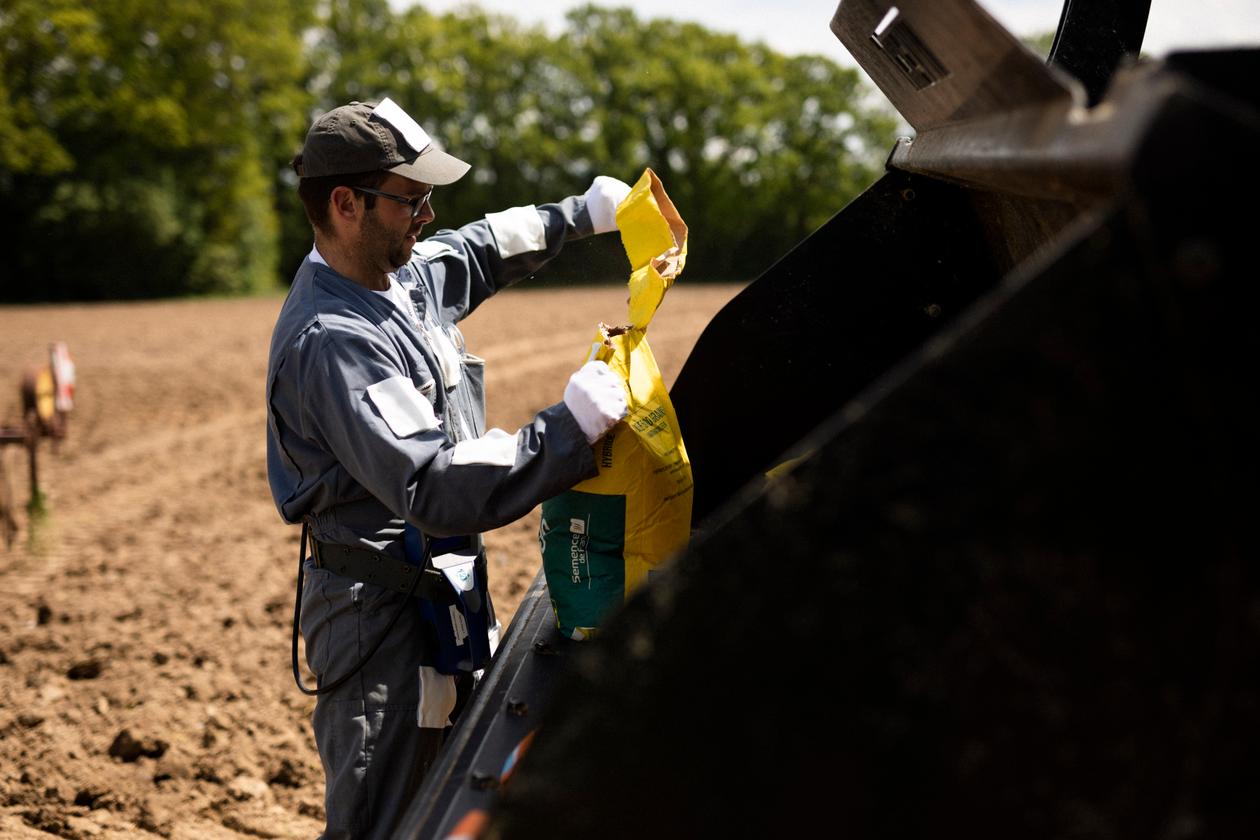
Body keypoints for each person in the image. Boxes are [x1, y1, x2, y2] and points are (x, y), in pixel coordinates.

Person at [265, 97, 630, 839]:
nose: (427, 215)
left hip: (439, 592)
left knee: (452, 801)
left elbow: (482, 246)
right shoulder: (334, 338)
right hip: (379, 630)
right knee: (390, 818)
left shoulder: (400, 277)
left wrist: (584, 212)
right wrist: (566, 432)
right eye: (410, 199)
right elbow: (432, 482)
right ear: (345, 204)